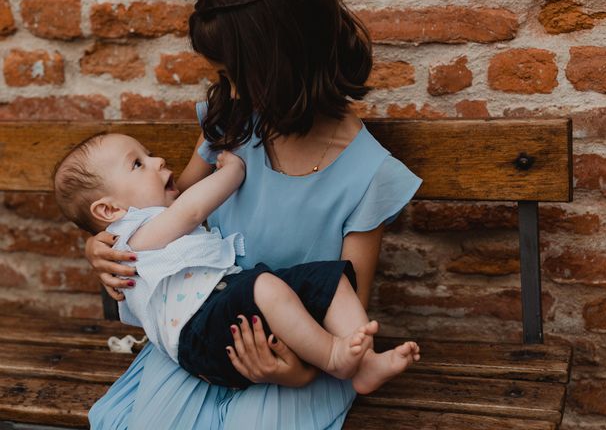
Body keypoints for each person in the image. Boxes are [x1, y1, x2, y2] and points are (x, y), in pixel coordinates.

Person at [87, 0, 422, 427]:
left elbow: (347, 306)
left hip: (300, 355)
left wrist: (298, 374)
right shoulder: (230, 124)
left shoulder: (370, 175)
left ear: (285, 63)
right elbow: (170, 209)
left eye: (237, 75)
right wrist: (101, 243)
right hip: (205, 334)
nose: (234, 90)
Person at [53, 132, 420, 392]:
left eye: (147, 154)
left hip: (225, 305)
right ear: (110, 210)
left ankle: (365, 363)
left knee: (331, 278)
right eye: (138, 163)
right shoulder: (132, 236)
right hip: (200, 331)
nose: (158, 160)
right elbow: (192, 209)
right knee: (264, 285)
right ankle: (333, 355)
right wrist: (232, 171)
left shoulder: (144, 231)